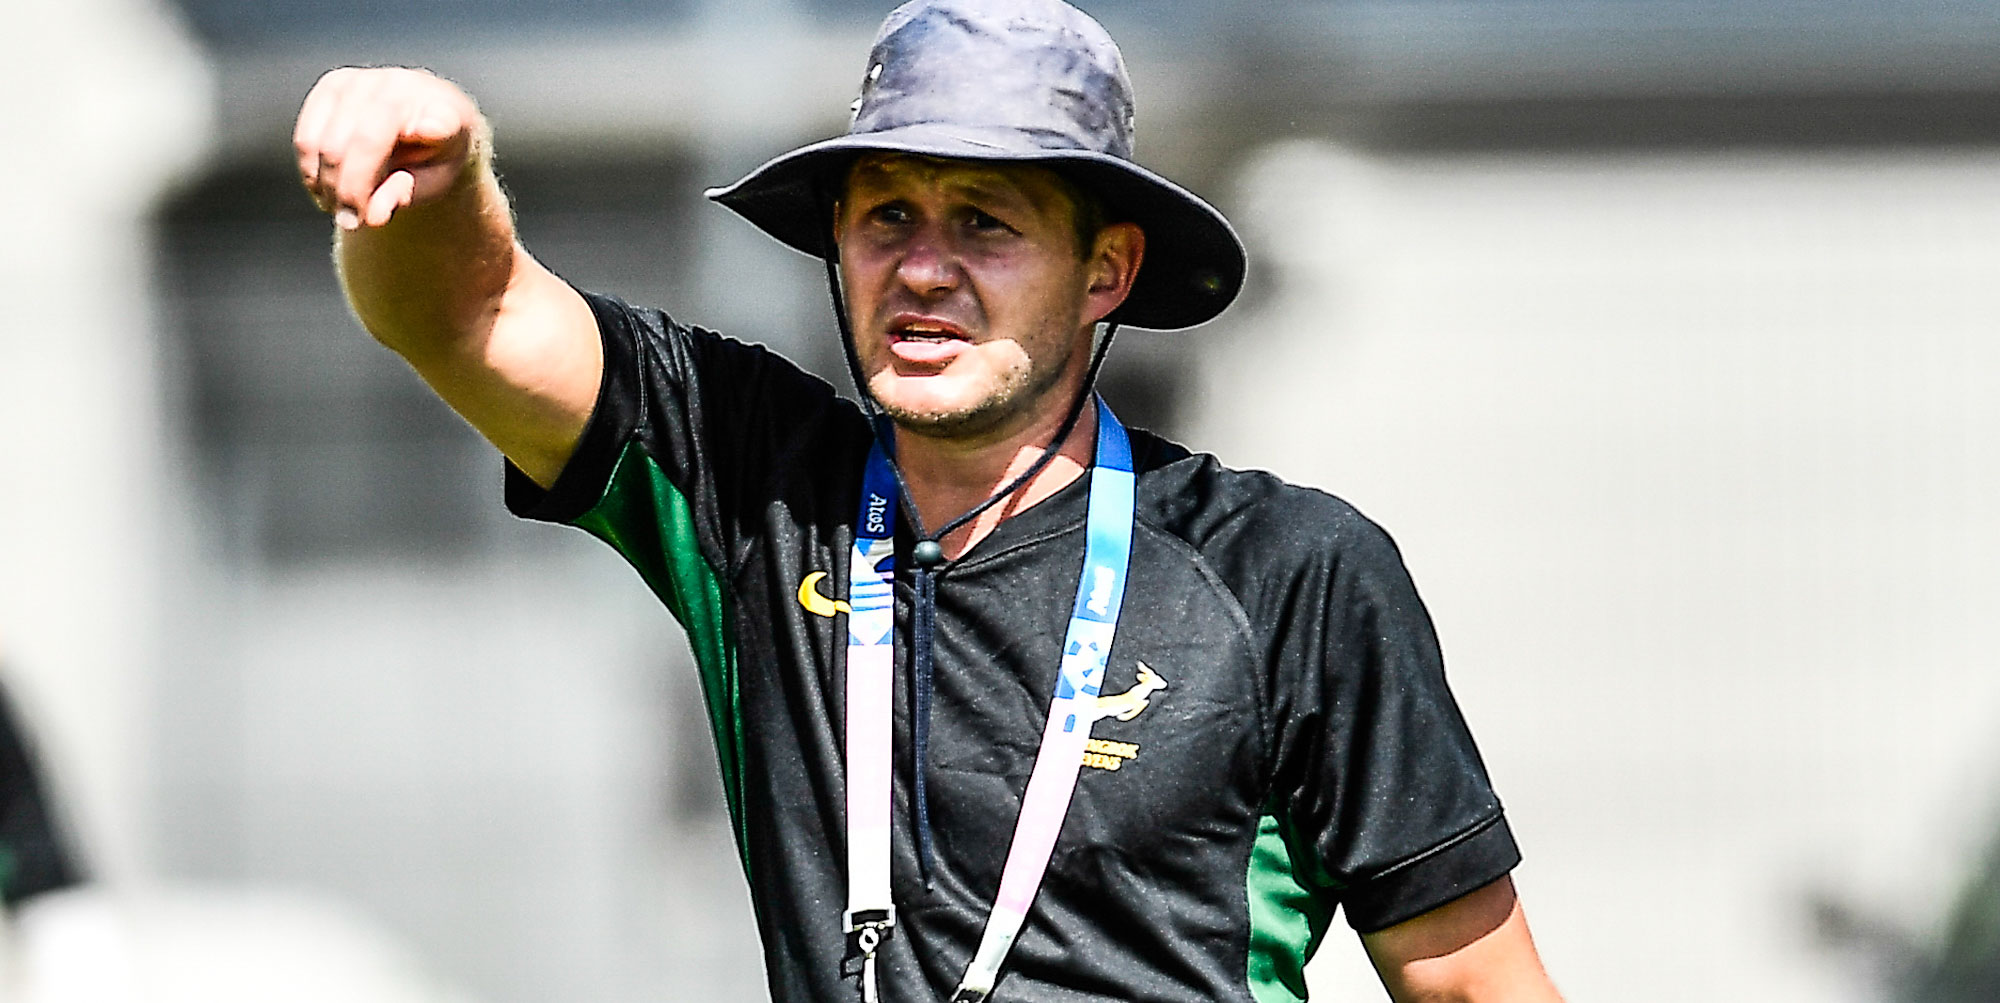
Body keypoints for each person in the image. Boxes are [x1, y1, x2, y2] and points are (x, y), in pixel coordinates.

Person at [293, 1, 1564, 999]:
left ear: (1106, 270)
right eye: (887, 215)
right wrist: (434, 172)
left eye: (985, 223)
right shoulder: (755, 483)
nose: (922, 269)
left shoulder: (1289, 568)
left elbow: (1472, 981)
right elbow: (473, 314)